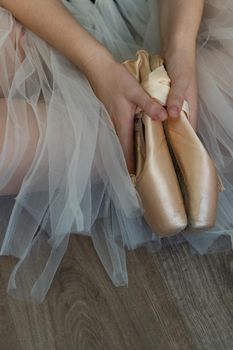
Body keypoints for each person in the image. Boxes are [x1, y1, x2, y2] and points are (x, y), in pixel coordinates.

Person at [0, 0, 232, 303]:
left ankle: (134, 130)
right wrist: (97, 64)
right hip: (40, 23)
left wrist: (180, 51)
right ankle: (136, 133)